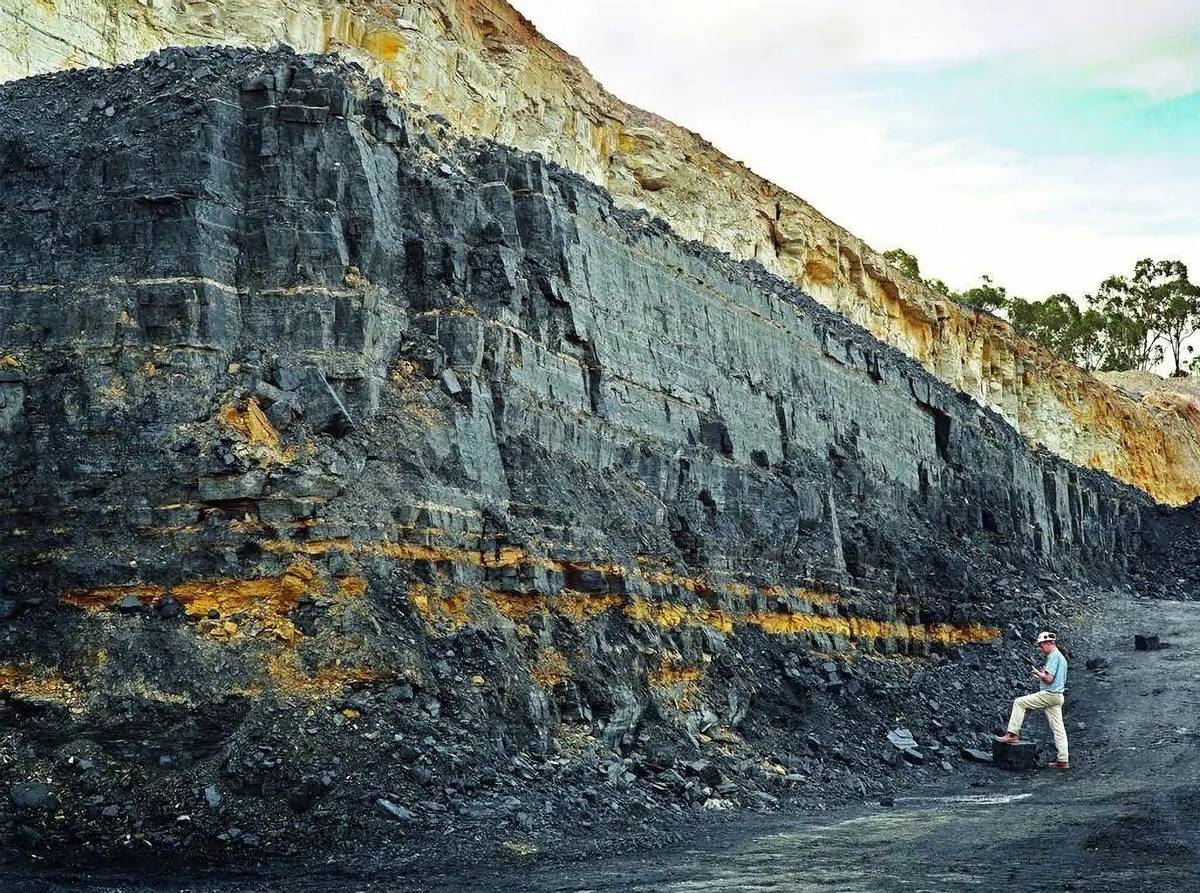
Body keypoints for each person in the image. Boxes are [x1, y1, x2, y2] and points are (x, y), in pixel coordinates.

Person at [994, 631, 1069, 769]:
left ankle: (1012, 733)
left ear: (1049, 643)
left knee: (1019, 702)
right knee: (1059, 729)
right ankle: (1063, 760)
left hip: (1049, 695)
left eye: (1041, 646)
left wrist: (1038, 673)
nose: (1041, 649)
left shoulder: (1054, 656)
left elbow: (1048, 679)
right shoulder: (1061, 658)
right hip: (1058, 696)